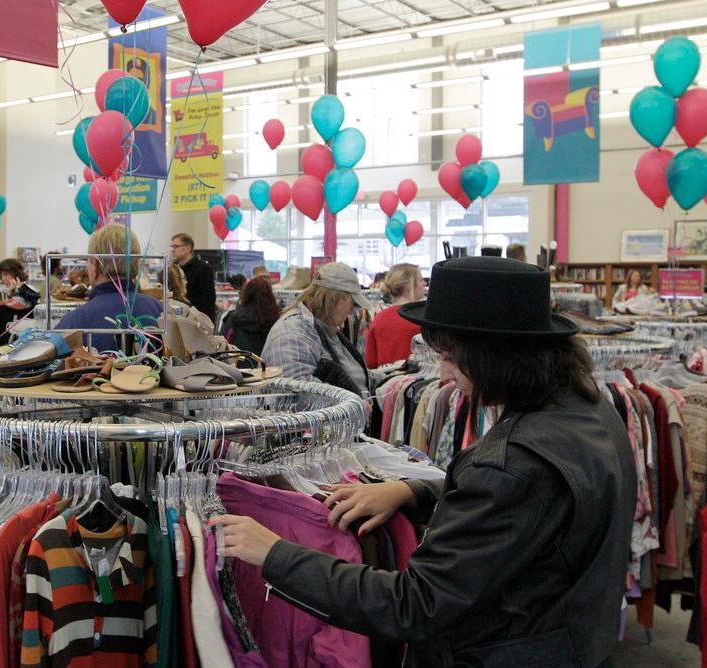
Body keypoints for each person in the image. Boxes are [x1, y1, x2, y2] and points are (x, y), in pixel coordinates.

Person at [212, 257, 637, 667]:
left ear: (494, 355)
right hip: (571, 642)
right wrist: (411, 490)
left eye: (451, 358)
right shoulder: (593, 413)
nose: (446, 376)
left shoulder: (517, 460)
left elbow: (413, 605)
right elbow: (525, 517)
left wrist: (275, 554)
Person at [262, 261, 374, 397]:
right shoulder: (293, 333)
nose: (352, 311)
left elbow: (355, 375)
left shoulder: (326, 330)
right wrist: (354, 403)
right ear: (334, 298)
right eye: (353, 303)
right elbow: (294, 393)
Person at [57, 223, 163, 352]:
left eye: (88, 261)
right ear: (135, 263)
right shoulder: (162, 312)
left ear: (95, 265)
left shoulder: (72, 324)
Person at [364, 263, 426, 368]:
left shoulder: (379, 318)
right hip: (419, 379)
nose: (424, 283)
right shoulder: (421, 318)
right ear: (408, 286)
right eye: (420, 280)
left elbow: (371, 362)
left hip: (385, 379)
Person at [222, 276, 280, 356]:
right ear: (270, 295)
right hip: (267, 366)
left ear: (247, 293)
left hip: (237, 364)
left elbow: (223, 344)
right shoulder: (277, 320)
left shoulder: (233, 318)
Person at [170, 233, 217, 323]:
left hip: (196, 320)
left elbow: (208, 300)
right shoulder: (173, 270)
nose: (173, 250)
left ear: (188, 248)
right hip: (177, 317)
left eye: (176, 246)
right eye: (172, 247)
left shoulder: (204, 269)